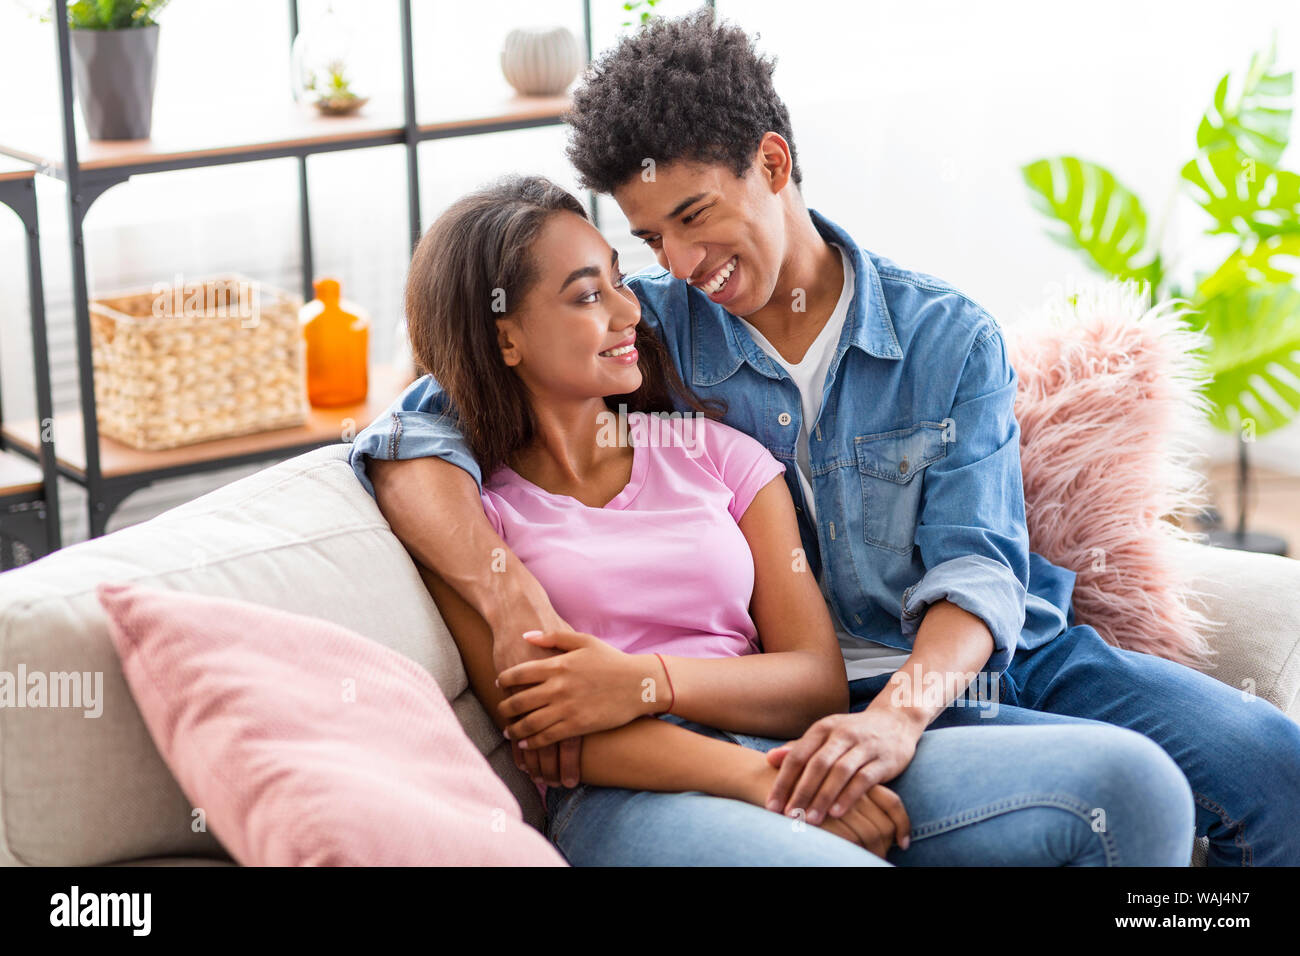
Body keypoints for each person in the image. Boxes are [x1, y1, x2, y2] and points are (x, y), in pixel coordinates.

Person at [354, 10, 1300, 865]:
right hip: (792, 697)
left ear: (771, 165)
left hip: (987, 665)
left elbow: (978, 572)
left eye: (694, 217)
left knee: (1271, 767)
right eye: (651, 240)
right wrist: (503, 584)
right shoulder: (643, 328)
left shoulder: (943, 337)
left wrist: (897, 718)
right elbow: (414, 427)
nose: (683, 266)